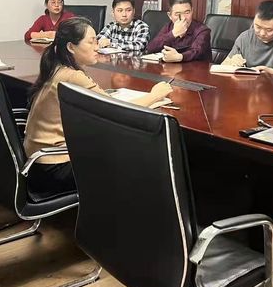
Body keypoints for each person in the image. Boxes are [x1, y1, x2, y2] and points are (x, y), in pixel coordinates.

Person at [25, 17, 173, 201]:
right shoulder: (72, 76)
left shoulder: (58, 67)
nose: (97, 47)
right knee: (136, 153)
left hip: (39, 163)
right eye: (91, 41)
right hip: (53, 167)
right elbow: (118, 110)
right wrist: (155, 95)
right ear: (71, 47)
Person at [145, 0, 211, 62]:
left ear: (192, 11)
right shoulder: (168, 27)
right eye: (177, 14)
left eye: (187, 12)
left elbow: (196, 51)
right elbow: (150, 48)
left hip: (196, 68)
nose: (183, 18)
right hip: (170, 67)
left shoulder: (202, 30)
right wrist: (173, 34)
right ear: (170, 16)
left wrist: (180, 57)